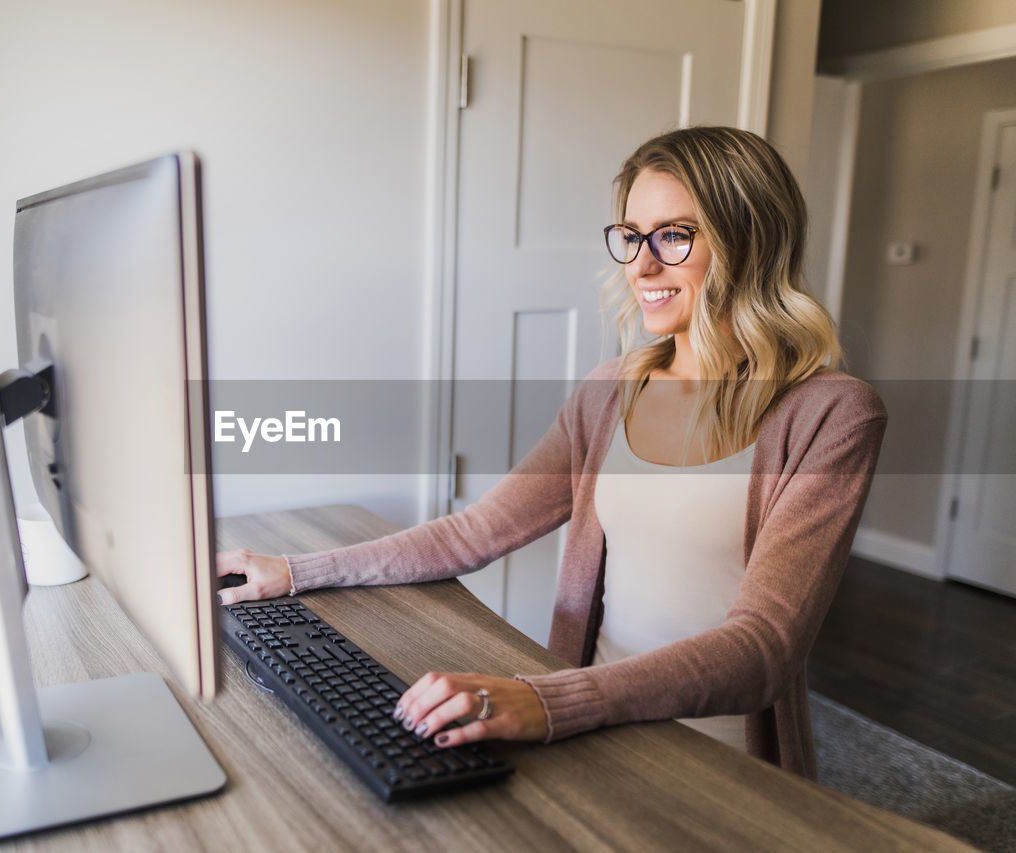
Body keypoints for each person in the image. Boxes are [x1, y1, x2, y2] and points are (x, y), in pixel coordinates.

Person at [216, 126, 886, 780]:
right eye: (630, 235)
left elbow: (764, 648)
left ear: (750, 242)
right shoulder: (608, 392)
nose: (641, 266)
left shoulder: (832, 413)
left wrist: (544, 700)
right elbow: (477, 530)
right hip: (587, 727)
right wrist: (295, 571)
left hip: (715, 759)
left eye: (674, 235)